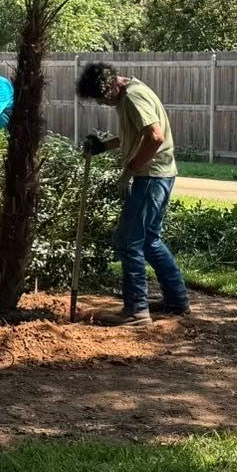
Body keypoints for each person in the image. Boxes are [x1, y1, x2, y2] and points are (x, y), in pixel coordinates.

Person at [76, 61, 191, 324]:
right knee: (149, 239)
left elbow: (154, 137)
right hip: (159, 175)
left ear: (109, 88)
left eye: (100, 99)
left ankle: (136, 310)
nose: (102, 104)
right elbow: (134, 135)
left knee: (128, 241)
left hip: (150, 177)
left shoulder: (133, 98)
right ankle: (176, 300)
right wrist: (103, 146)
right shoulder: (131, 93)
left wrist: (130, 169)